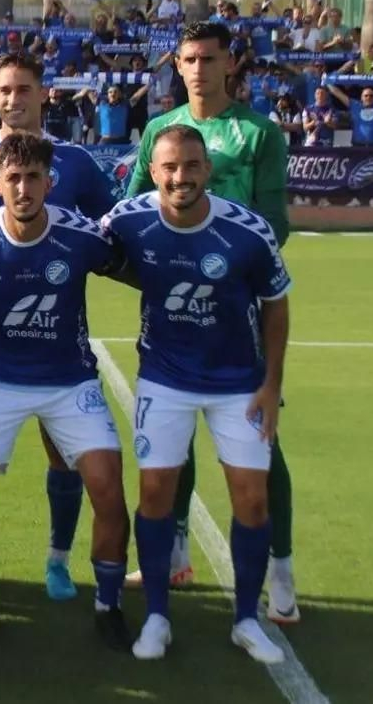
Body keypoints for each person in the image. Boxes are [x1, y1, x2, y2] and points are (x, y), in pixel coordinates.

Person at [0, 132, 132, 647]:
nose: (23, 188)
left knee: (108, 487)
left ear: (48, 182)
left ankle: (108, 606)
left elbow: (130, 266)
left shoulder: (80, 235)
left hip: (70, 381)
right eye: (13, 178)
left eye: (33, 177)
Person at [122, 21, 297, 623]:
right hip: (173, 302)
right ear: (177, 64)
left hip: (237, 302)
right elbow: (133, 206)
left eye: (210, 58)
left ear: (230, 63)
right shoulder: (159, 130)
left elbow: (276, 221)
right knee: (174, 434)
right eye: (189, 59)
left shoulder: (259, 133)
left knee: (261, 441)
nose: (198, 69)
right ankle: (173, 552)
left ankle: (281, 569)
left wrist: (223, 258)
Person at [103, 124, 292, 665]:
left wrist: (272, 383)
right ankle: (157, 616)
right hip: (164, 379)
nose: (180, 177)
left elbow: (277, 305)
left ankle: (247, 620)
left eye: (190, 166)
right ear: (153, 172)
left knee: (252, 499)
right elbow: (85, 247)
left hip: (239, 384)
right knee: (156, 494)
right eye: (169, 167)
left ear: (207, 170)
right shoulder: (128, 219)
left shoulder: (248, 231)